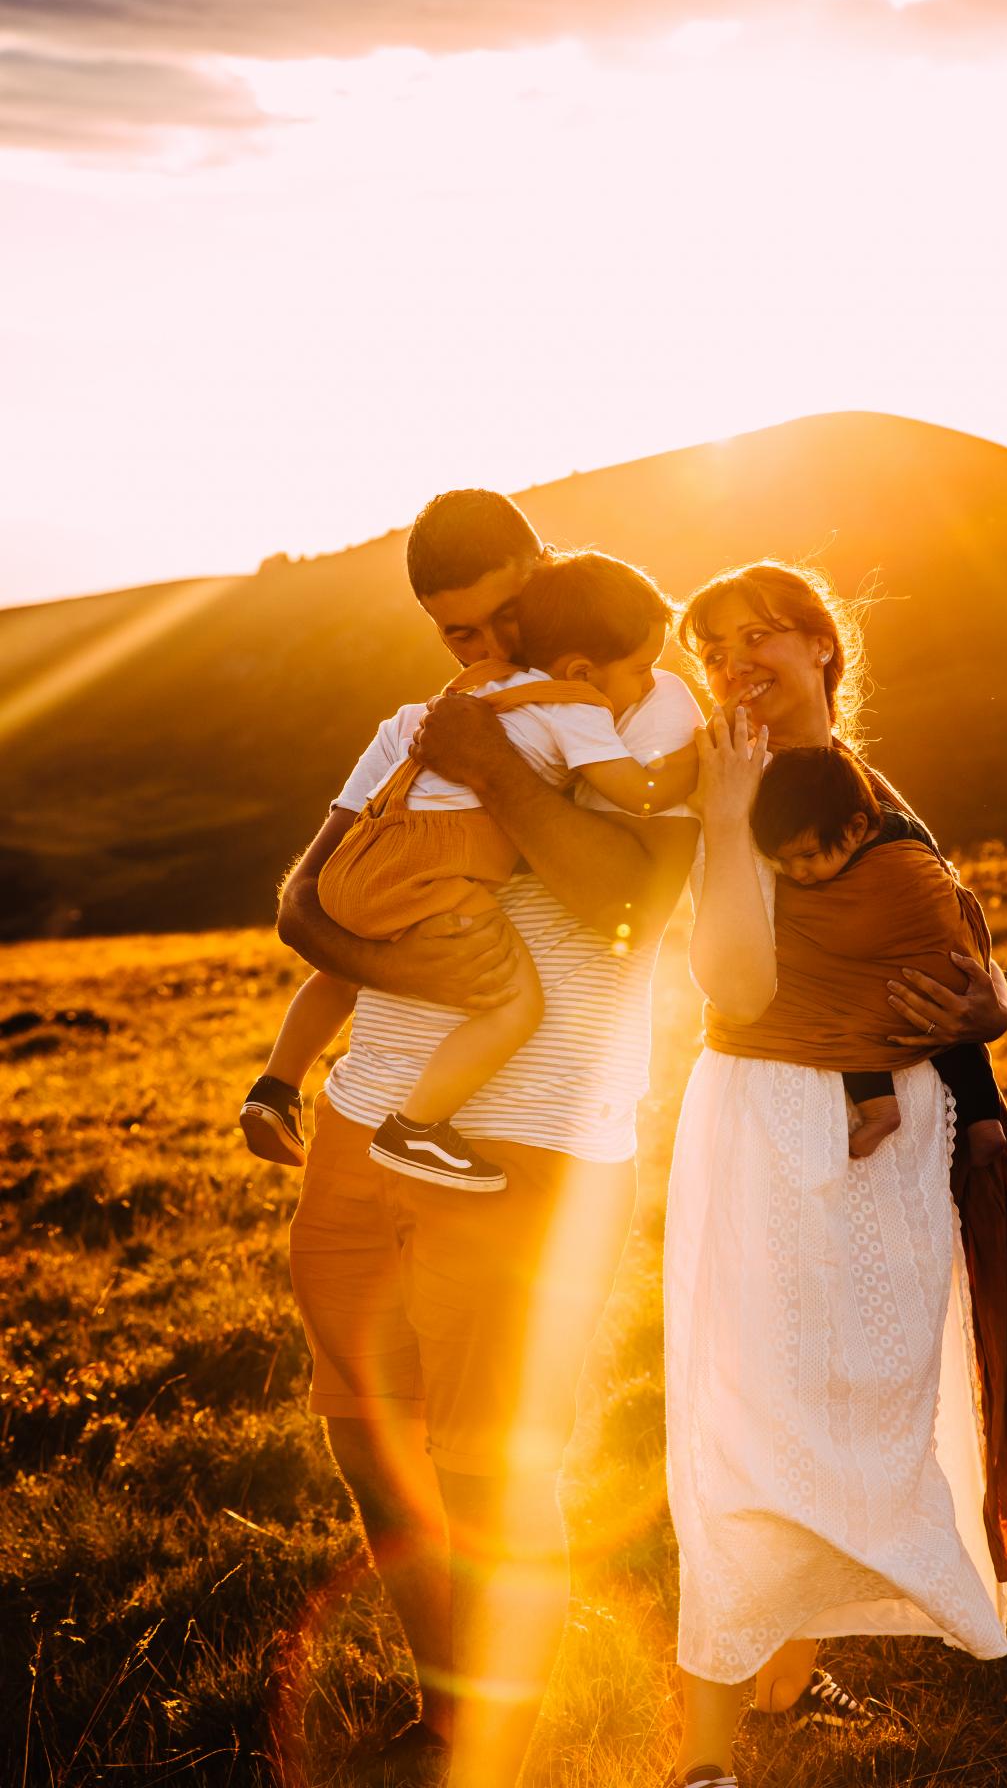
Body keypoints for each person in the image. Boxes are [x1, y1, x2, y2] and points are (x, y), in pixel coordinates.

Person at [663, 561, 1007, 1788]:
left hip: (896, 1129)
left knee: (871, 1403)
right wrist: (721, 825)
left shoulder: (879, 799)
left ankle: (782, 1670)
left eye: (762, 634)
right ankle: (709, 1756)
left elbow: (941, 956)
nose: (735, 662)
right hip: (765, 1123)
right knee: (746, 1419)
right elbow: (734, 987)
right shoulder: (714, 788)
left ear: (826, 650)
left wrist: (986, 1009)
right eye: (712, 647)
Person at [275, 490, 702, 1788]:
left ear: (549, 574)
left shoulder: (651, 711)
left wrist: (500, 761)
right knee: (368, 1444)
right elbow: (302, 902)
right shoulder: (414, 727)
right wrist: (409, 964)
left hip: (538, 1153)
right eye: (452, 634)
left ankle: (495, 1756)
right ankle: (447, 1715)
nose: (479, 651)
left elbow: (628, 901)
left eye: (499, 618)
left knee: (497, 1476)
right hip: (364, 1132)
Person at [241, 551, 696, 1186]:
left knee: (340, 969)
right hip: (441, 864)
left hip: (373, 855)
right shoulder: (577, 706)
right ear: (584, 666)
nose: (490, 644)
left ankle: (275, 1086)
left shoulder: (464, 693)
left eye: (507, 618)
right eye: (460, 632)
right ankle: (417, 1128)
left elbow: (308, 900)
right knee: (515, 1004)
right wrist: (696, 764)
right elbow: (636, 793)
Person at [748, 742, 1007, 1166]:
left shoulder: (892, 847)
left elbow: (941, 890)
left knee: (849, 1013)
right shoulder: (901, 827)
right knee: (957, 1037)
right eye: (783, 863)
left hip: (925, 974)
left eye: (808, 856)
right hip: (935, 985)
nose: (798, 874)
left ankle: (881, 1110)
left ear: (854, 829)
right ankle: (984, 1120)